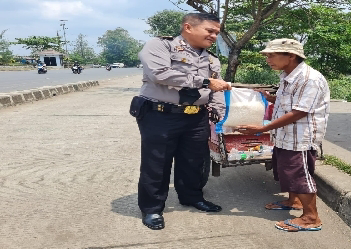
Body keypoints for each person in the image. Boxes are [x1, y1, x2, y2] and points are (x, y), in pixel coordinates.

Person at [131, 13, 231, 230]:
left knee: (194, 161)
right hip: (160, 115)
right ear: (188, 27)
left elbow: (218, 88)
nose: (214, 36)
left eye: (217, 32)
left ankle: (192, 197)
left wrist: (217, 110)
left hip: (196, 116)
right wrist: (204, 81)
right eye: (210, 31)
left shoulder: (212, 59)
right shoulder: (160, 46)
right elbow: (160, 74)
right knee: (157, 163)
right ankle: (152, 209)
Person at [237, 38, 330, 232]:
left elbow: (299, 112)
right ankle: (293, 201)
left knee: (299, 174)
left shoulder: (309, 79)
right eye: (267, 55)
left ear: (291, 56)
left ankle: (311, 218)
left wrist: (262, 129)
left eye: (272, 55)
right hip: (286, 134)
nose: (267, 59)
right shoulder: (288, 75)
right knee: (286, 171)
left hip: (300, 137)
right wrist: (269, 97)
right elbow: (287, 101)